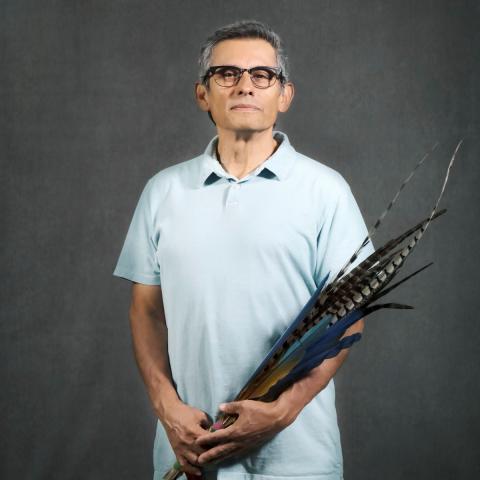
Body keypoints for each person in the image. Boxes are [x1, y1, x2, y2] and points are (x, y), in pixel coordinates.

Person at [113, 19, 374, 480]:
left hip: (296, 463)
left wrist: (284, 410)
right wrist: (168, 409)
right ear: (203, 94)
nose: (244, 86)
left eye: (262, 75)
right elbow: (146, 312)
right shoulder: (163, 192)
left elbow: (349, 316)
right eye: (227, 73)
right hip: (190, 455)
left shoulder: (326, 191)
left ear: (285, 95)